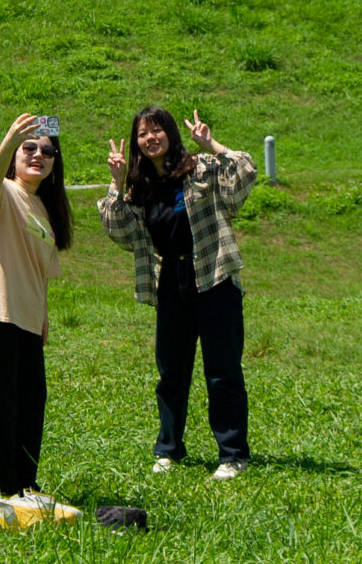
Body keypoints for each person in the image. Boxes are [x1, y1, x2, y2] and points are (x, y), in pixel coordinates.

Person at [100, 107, 257, 480]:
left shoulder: (201, 167)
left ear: (171, 134)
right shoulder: (140, 188)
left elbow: (246, 172)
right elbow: (116, 228)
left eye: (157, 131)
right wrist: (117, 182)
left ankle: (232, 455)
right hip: (170, 280)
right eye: (142, 134)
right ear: (136, 142)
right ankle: (169, 449)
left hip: (213, 275)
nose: (150, 138)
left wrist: (212, 143)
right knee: (171, 372)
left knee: (222, 370)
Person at [0, 113, 72, 504]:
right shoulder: (0, 191)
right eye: (30, 148)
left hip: (25, 322)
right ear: (15, 155)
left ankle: (26, 487)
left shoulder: (43, 211)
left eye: (48, 151)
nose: (39, 155)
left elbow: (39, 273)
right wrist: (8, 140)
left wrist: (43, 317)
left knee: (30, 405)